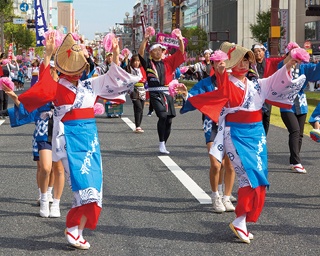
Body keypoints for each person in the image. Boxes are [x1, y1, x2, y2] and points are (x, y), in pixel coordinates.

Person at [18, 32, 141, 250]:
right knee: (83, 187)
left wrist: (114, 52)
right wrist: (47, 56)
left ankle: (77, 229)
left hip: (91, 141)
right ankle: (72, 227)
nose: (77, 72)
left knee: (95, 190)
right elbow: (42, 88)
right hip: (68, 140)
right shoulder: (57, 86)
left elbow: (115, 78)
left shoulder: (90, 85)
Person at [185, 42, 306, 244]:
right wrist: (222, 72)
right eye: (240, 60)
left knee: (259, 177)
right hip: (236, 134)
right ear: (231, 63)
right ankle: (240, 219)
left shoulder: (255, 83)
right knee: (248, 177)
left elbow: (275, 80)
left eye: (247, 59)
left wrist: (288, 64)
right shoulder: (228, 82)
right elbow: (223, 90)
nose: (244, 63)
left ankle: (244, 219)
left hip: (257, 134)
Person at [179, 60, 236, 213]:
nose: (221, 66)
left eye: (224, 63)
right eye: (217, 63)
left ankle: (226, 196)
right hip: (212, 125)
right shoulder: (206, 83)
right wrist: (186, 94)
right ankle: (215, 196)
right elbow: (194, 97)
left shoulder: (234, 82)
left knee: (229, 164)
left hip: (231, 124)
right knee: (217, 164)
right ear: (213, 66)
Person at [138, 34, 185, 154]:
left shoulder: (168, 62)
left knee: (169, 120)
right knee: (162, 116)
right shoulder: (148, 64)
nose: (158, 52)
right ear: (151, 53)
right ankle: (161, 142)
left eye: (160, 50)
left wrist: (180, 40)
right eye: (155, 50)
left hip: (167, 93)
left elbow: (181, 52)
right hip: (155, 93)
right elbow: (140, 53)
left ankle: (164, 143)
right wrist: (145, 39)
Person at [278, 42, 320, 173]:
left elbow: (316, 70)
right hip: (286, 104)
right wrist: (289, 58)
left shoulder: (304, 67)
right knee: (295, 130)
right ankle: (296, 162)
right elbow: (280, 72)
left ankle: (294, 161)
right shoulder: (282, 65)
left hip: (301, 104)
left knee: (299, 134)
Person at [250, 43, 272, 135]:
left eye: (259, 51)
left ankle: (264, 137)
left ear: (264, 52)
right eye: (255, 52)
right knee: (257, 115)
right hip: (255, 93)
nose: (258, 53)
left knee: (267, 116)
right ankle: (256, 136)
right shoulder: (251, 65)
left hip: (267, 93)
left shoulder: (269, 63)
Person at [126, 54, 147, 133]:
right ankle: (138, 126)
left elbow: (145, 78)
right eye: (134, 61)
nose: (136, 63)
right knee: (139, 107)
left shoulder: (142, 69)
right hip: (133, 89)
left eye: (138, 61)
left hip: (142, 89)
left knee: (140, 108)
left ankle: (138, 125)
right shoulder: (129, 69)